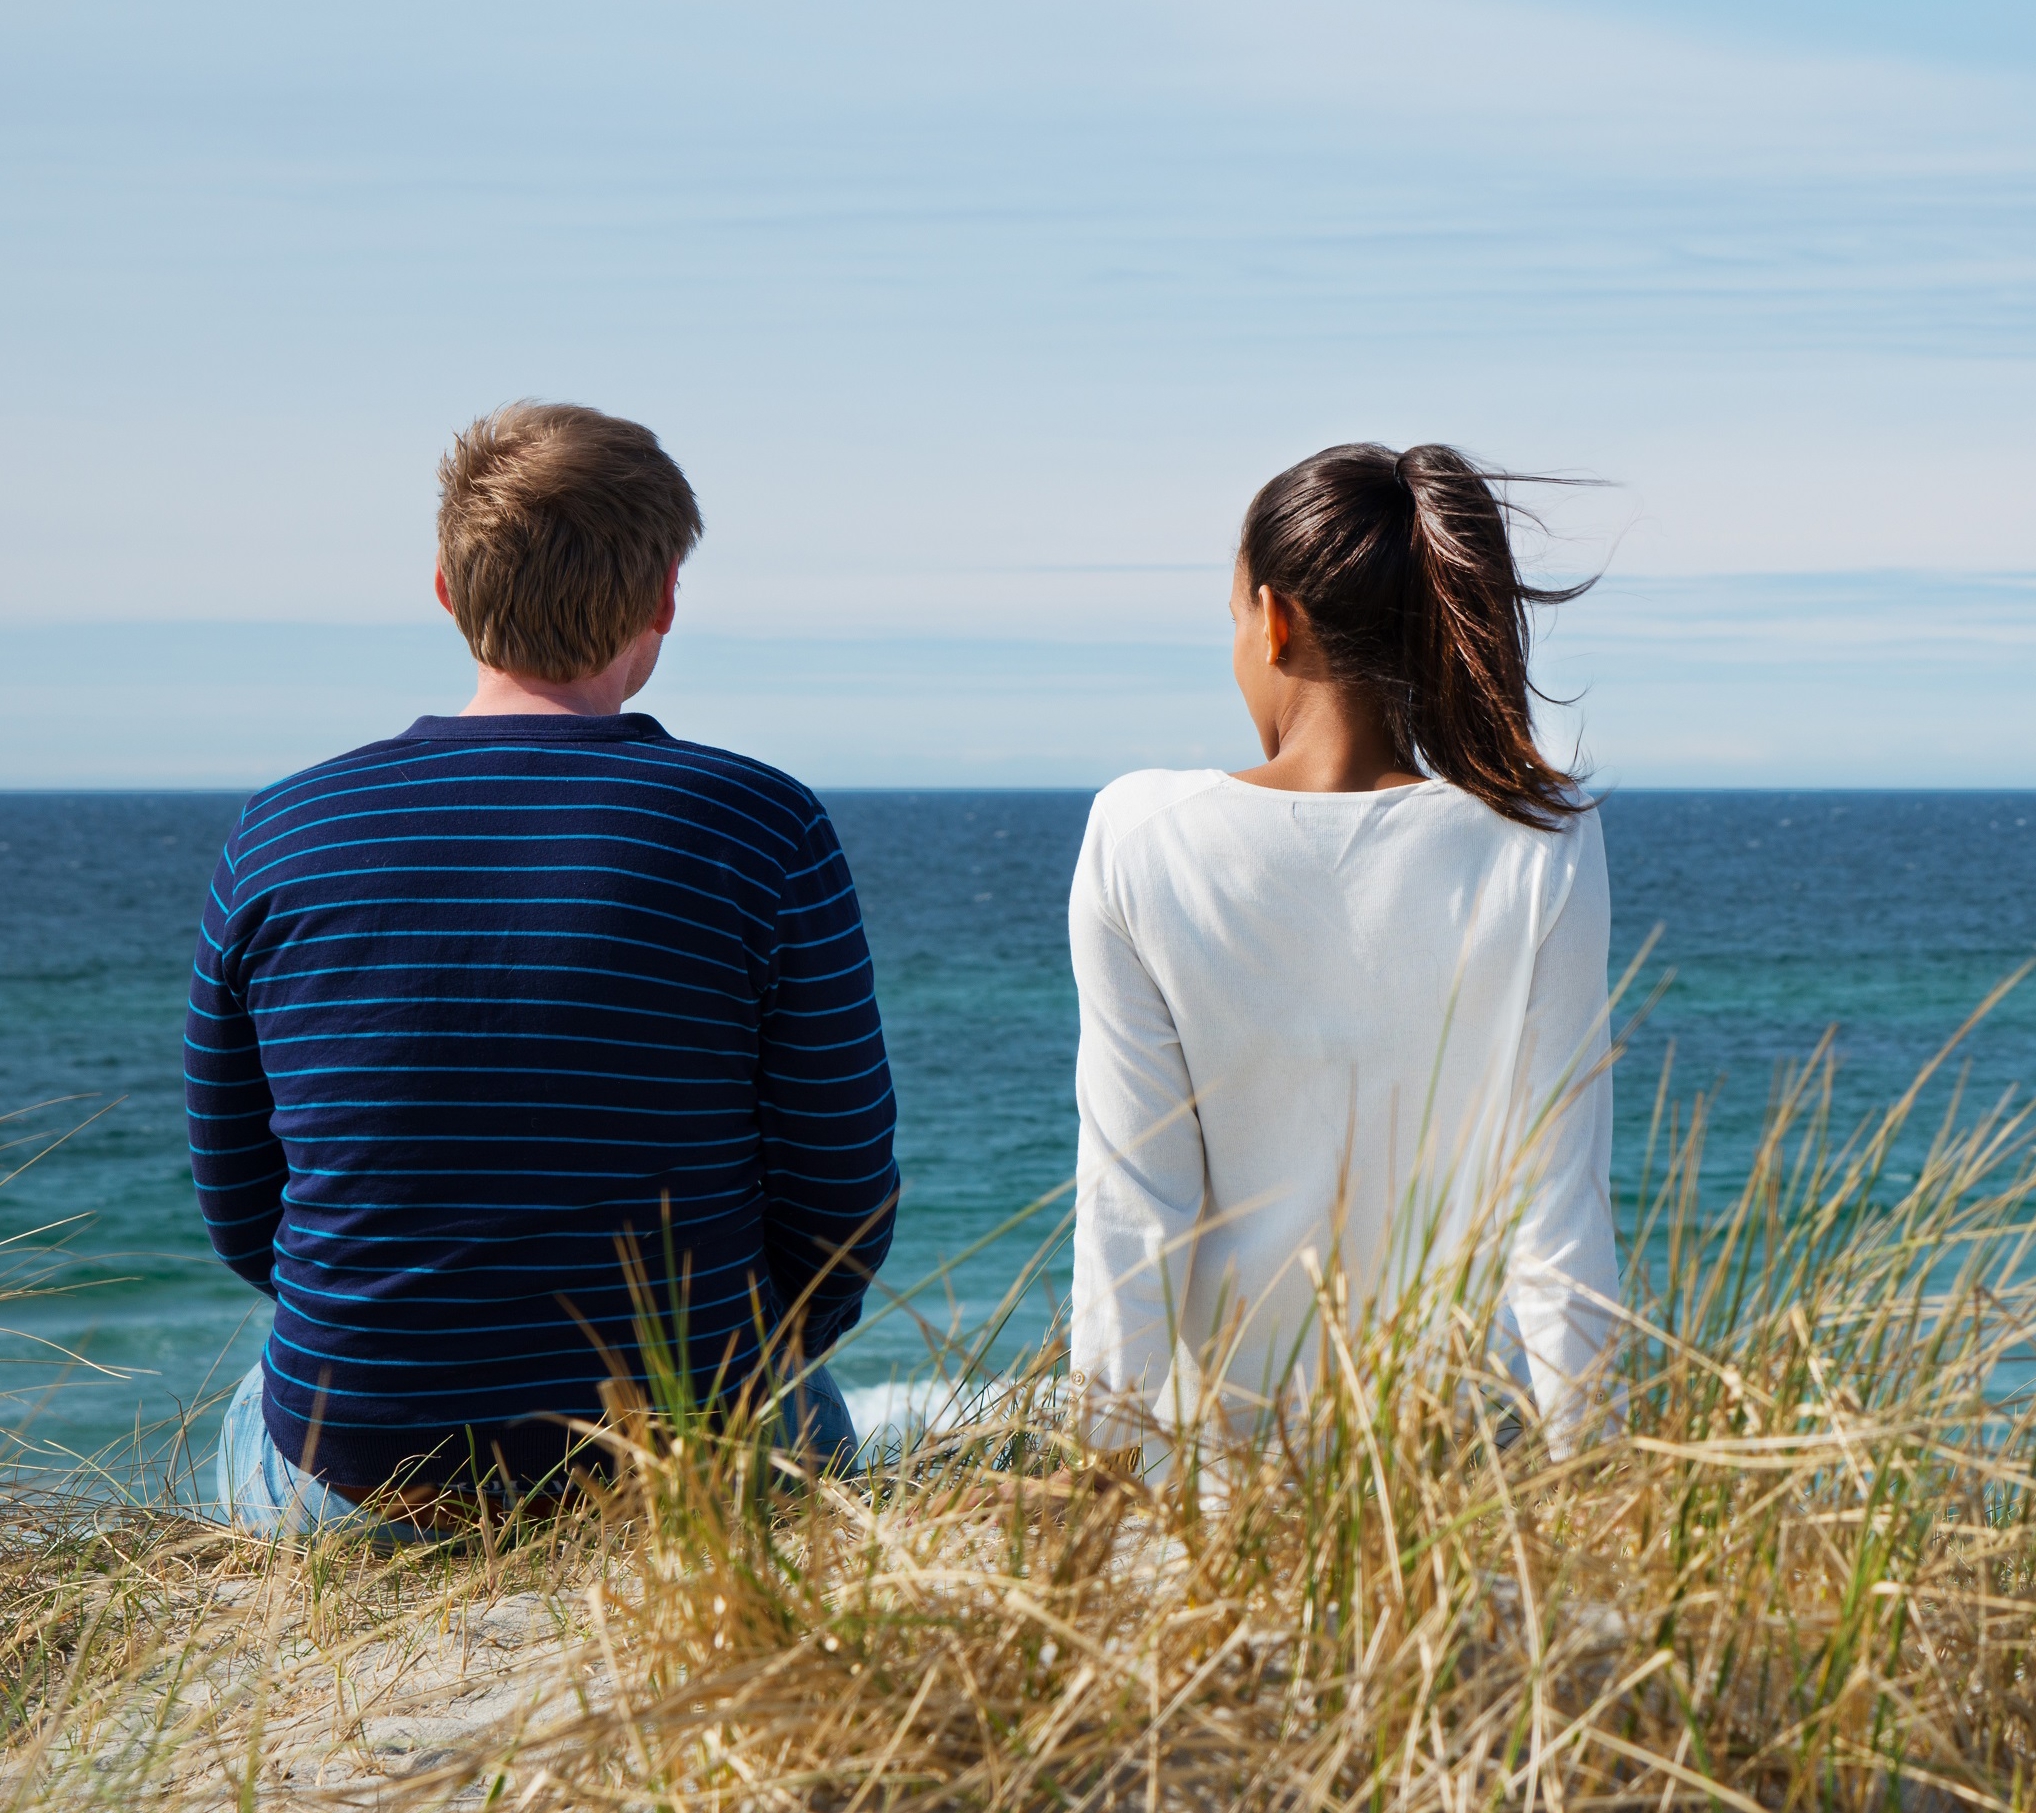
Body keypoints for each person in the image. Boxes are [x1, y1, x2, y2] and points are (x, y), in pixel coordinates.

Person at [189, 403, 898, 1537]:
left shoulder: (278, 834)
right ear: (665, 595)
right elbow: (840, 1200)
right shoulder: (761, 826)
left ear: (443, 587)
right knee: (806, 1405)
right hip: (692, 1456)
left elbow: (241, 1207)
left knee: (243, 1411)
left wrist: (420, 1347)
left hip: (361, 1470)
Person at [1068, 442, 1620, 1461]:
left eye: (1232, 616)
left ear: (1273, 622)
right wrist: (1594, 1477)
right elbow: (1558, 1218)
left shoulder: (1137, 834)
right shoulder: (1542, 840)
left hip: (1218, 1484)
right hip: (1464, 1472)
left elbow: (1128, 1218)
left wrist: (1115, 1506)